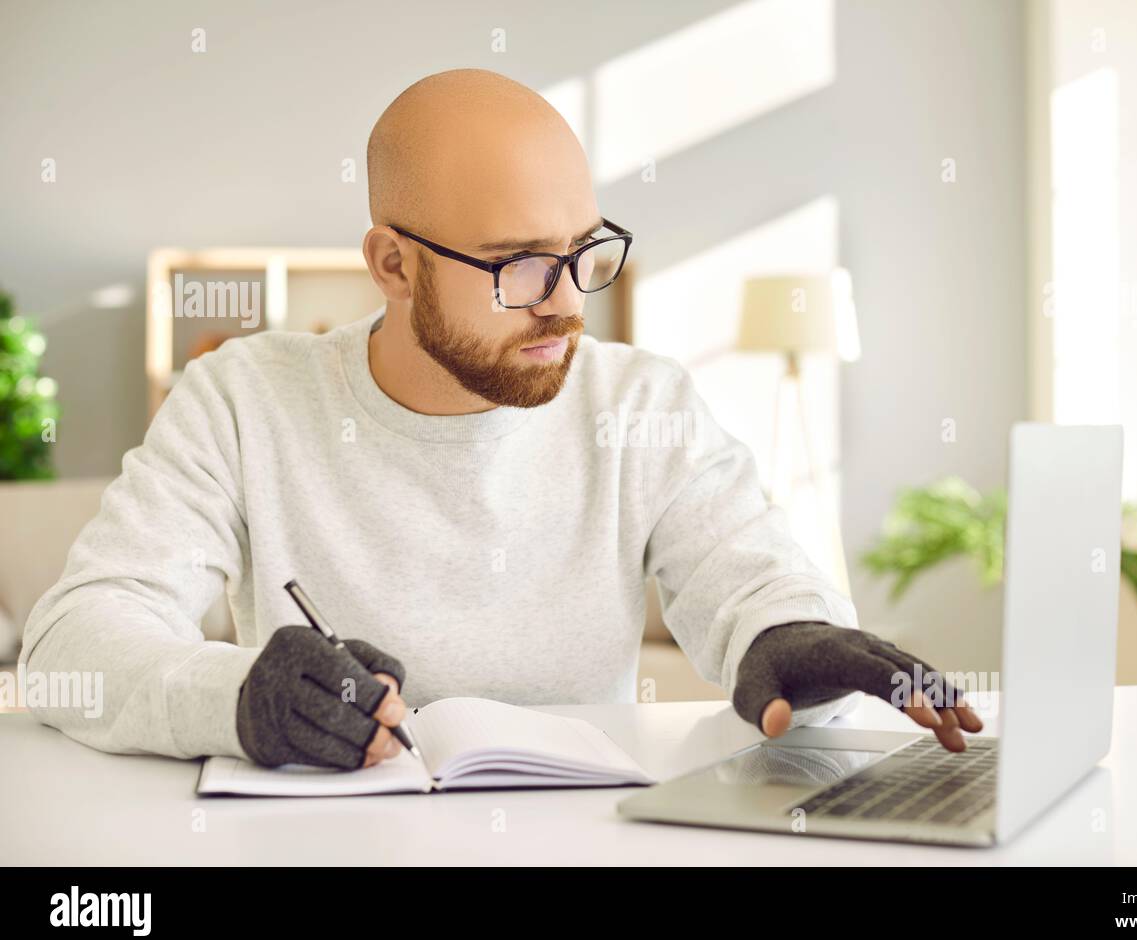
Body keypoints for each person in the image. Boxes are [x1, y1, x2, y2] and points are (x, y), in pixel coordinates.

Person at [20, 69, 981, 770]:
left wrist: (785, 636)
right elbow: (75, 640)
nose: (566, 303)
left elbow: (751, 577)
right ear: (393, 265)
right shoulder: (241, 402)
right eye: (517, 264)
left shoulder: (639, 403)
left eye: (583, 252)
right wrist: (236, 697)